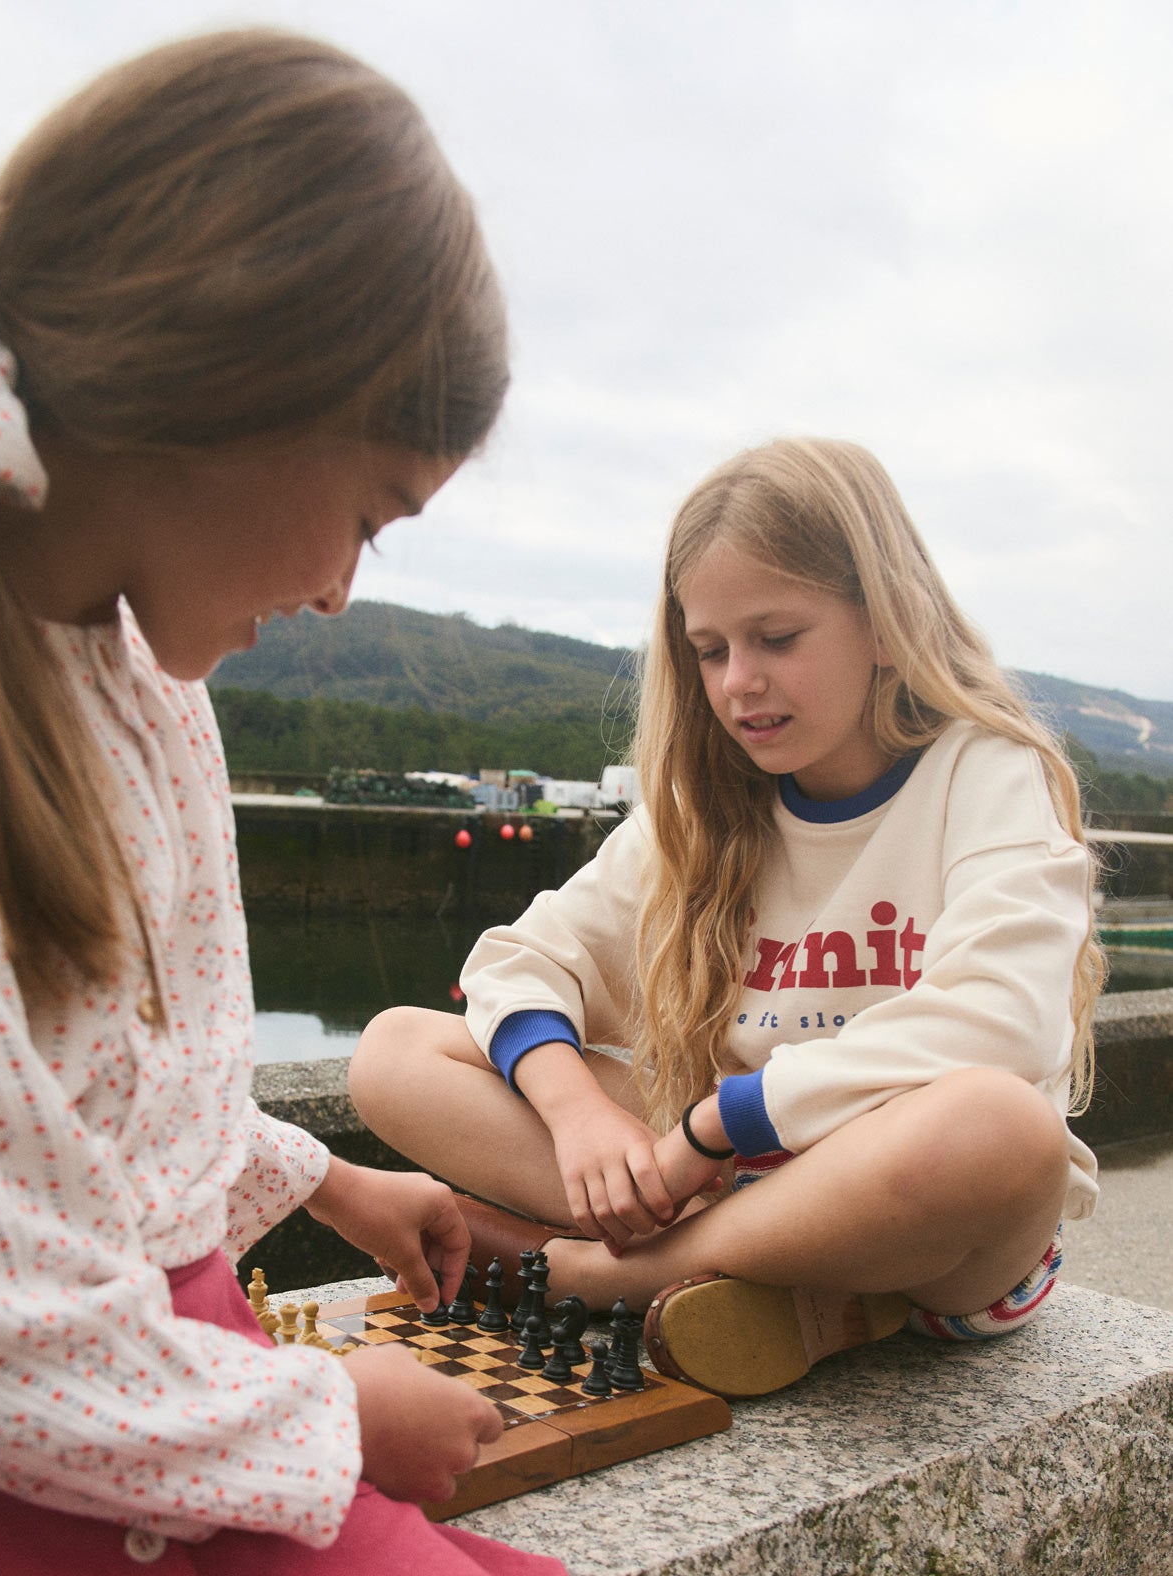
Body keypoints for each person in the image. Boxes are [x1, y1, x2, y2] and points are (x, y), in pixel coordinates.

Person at [0, 35, 842, 1576]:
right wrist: (326, 1429)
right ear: (237, 393)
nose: (342, 585)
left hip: (164, 1421)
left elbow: (51, 1090)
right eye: (378, 511)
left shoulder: (130, 670)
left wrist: (315, 1182)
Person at [352, 437, 1101, 1396]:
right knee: (394, 1051)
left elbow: (1003, 1022)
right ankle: (786, 1294)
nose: (739, 680)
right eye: (711, 651)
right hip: (724, 1183)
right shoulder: (700, 812)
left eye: (777, 638)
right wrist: (577, 1114)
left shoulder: (985, 771)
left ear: (885, 622)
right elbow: (518, 960)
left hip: (919, 1218)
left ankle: (609, 1274)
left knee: (1005, 1127)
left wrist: (716, 1126)